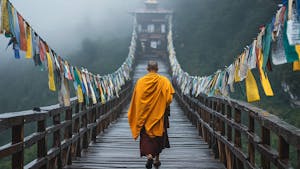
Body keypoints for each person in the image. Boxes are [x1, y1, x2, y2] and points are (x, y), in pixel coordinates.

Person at [128, 60, 175, 169]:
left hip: (145, 116)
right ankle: (157, 159)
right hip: (159, 115)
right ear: (157, 68)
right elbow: (169, 98)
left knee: (146, 136)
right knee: (159, 137)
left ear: (147, 69)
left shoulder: (140, 82)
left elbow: (137, 99)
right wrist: (161, 104)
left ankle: (149, 156)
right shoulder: (164, 81)